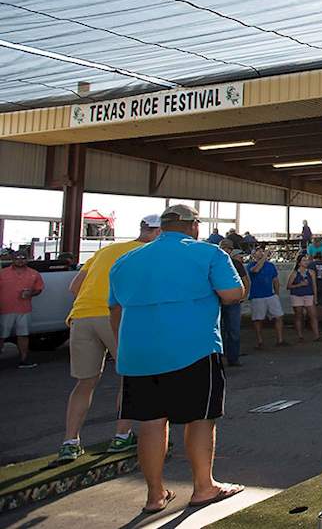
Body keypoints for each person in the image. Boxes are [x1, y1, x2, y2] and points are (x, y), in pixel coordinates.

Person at [108, 204, 246, 513]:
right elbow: (232, 295)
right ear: (193, 225)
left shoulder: (125, 260)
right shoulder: (209, 253)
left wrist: (123, 347)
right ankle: (203, 487)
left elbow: (115, 310)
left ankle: (155, 496)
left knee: (150, 424)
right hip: (194, 349)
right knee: (200, 418)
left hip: (139, 355)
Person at [58, 216, 161, 462]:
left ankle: (70, 442)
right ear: (157, 232)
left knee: (85, 382)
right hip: (116, 315)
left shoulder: (107, 251)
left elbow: (74, 287)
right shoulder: (148, 253)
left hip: (81, 316)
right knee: (130, 376)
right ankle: (121, 436)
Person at [0, 252, 43, 369]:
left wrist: (31, 293)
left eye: (23, 258)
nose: (20, 260)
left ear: (27, 259)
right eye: (17, 258)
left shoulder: (34, 274)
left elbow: (39, 289)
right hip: (4, 309)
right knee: (1, 336)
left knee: (23, 335)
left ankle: (24, 360)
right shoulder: (3, 273)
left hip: (24, 310)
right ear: (12, 259)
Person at [215, 241, 250, 366]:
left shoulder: (236, 264)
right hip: (218, 302)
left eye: (228, 248)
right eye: (223, 248)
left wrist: (243, 296)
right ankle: (220, 357)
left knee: (233, 331)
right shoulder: (214, 263)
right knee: (219, 330)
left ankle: (233, 358)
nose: (226, 250)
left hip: (233, 302)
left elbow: (246, 281)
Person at [246, 247, 286, 348]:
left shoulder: (271, 266)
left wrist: (276, 294)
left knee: (279, 316)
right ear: (253, 255)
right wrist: (264, 257)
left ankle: (280, 340)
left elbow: (275, 280)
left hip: (270, 295)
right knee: (258, 319)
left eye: (262, 252)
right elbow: (256, 270)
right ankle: (260, 341)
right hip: (257, 296)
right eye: (258, 252)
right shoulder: (251, 265)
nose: (261, 253)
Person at [287, 255, 320, 342]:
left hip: (308, 295)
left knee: (313, 315)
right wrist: (299, 285)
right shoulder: (294, 273)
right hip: (297, 295)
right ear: (299, 263)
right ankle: (300, 336)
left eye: (307, 260)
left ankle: (316, 335)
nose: (306, 262)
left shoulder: (311, 272)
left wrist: (315, 297)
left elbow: (314, 286)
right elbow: (288, 286)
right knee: (299, 316)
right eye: (304, 260)